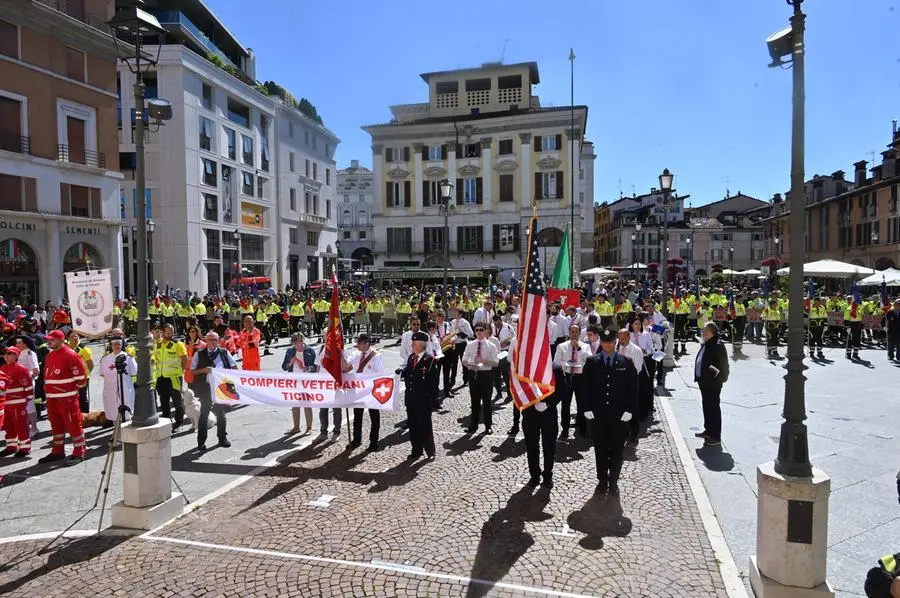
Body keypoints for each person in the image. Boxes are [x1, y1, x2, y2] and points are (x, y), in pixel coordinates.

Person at [582, 328, 638, 495]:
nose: (607, 345)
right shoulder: (592, 362)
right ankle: (602, 480)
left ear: (615, 343)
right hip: (598, 415)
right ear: (601, 343)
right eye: (605, 342)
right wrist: (586, 408)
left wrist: (630, 410)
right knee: (600, 449)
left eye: (610, 342)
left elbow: (633, 389)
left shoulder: (626, 362)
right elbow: (585, 388)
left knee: (616, 450)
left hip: (619, 416)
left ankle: (613, 480)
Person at [38, 329, 87, 463]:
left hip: (67, 398)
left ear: (60, 340)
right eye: (48, 339)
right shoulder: (50, 356)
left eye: (51, 339)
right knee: (56, 425)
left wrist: (71, 390)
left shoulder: (70, 354)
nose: (49, 341)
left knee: (73, 425)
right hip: (52, 398)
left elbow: (81, 378)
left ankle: (79, 452)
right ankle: (57, 451)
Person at [188, 331, 237, 451]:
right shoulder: (199, 354)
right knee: (204, 414)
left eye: (215, 340)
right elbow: (193, 371)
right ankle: (201, 442)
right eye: (210, 340)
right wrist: (204, 370)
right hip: (206, 387)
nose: (212, 342)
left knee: (221, 414)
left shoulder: (224, 352)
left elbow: (235, 367)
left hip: (221, 388)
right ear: (206, 341)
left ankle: (222, 438)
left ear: (218, 340)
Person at [399, 330, 438, 460]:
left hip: (423, 400)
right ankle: (416, 450)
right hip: (411, 399)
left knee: (425, 426)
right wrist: (402, 372)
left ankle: (430, 451)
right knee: (413, 426)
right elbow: (409, 373)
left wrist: (432, 402)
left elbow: (433, 384)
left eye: (414, 343)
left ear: (421, 345)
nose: (412, 345)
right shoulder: (411, 357)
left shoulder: (430, 360)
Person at [521, 367, 560, 489]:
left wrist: (549, 403)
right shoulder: (524, 369)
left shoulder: (556, 369)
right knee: (531, 445)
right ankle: (534, 475)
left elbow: (562, 391)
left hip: (549, 414)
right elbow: (518, 389)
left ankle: (548, 475)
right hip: (530, 413)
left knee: (549, 446)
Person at [346, 333, 385, 451]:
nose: (357, 344)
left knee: (374, 416)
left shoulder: (376, 356)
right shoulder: (356, 354)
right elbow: (346, 367)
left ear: (366, 343)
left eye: (359, 342)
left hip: (371, 390)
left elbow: (380, 374)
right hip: (358, 390)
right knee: (357, 416)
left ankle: (374, 442)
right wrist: (341, 354)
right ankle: (356, 439)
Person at [694, 322, 729, 447]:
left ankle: (715, 436)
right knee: (706, 406)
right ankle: (708, 430)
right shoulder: (707, 343)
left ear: (711, 332)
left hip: (712, 383)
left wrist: (716, 376)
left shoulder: (717, 345)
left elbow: (723, 366)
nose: (702, 332)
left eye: (704, 330)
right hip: (704, 381)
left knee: (713, 408)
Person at [552, 324, 590, 440]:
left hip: (580, 377)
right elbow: (556, 362)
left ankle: (582, 428)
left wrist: (578, 348)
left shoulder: (585, 346)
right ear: (569, 333)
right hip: (567, 376)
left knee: (582, 404)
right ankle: (565, 428)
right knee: (565, 404)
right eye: (572, 331)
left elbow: (589, 360)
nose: (574, 334)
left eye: (576, 332)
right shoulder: (561, 346)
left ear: (580, 333)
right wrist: (566, 364)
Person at [462, 322, 499, 434]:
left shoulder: (491, 346)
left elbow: (496, 363)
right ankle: (473, 425)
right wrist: (470, 365)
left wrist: (484, 361)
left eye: (481, 330)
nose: (478, 332)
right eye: (477, 330)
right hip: (473, 374)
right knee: (474, 402)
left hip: (486, 375)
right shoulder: (470, 345)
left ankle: (488, 426)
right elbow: (464, 359)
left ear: (485, 331)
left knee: (487, 402)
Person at [1, 346, 33, 457]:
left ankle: (25, 448)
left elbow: (28, 386)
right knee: (8, 425)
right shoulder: (3, 368)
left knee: (21, 425)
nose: (6, 356)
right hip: (6, 403)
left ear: (16, 356)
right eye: (5, 354)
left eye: (9, 354)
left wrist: (25, 400)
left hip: (18, 403)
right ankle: (11, 447)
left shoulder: (21, 369)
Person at [281, 332, 316, 435]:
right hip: (294, 381)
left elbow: (315, 367)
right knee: (295, 405)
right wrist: (290, 363)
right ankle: (296, 427)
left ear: (302, 340)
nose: (297, 345)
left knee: (307, 404)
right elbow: (284, 367)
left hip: (306, 381)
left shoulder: (310, 351)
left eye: (299, 342)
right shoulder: (290, 352)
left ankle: (309, 428)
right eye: (295, 343)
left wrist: (307, 368)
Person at [155, 323, 187, 429]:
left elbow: (184, 360)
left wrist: (180, 371)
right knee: (164, 401)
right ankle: (166, 422)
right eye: (168, 333)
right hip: (160, 377)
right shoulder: (158, 343)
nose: (170, 335)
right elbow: (155, 356)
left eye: (171, 333)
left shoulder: (178, 344)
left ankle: (179, 423)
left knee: (177, 401)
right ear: (162, 332)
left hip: (174, 378)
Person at [98, 337, 136, 425]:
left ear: (122, 345)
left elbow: (134, 372)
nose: (116, 346)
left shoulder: (128, 357)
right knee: (114, 414)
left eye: (118, 344)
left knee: (127, 415)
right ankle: (117, 435)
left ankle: (127, 435)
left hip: (125, 389)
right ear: (111, 346)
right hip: (111, 390)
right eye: (114, 344)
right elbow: (102, 373)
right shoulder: (105, 359)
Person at [66, 329, 93, 413]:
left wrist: (86, 375)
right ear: (68, 338)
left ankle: (85, 415)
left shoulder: (84, 349)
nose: (75, 338)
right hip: (71, 378)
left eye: (76, 336)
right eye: (72, 337)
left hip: (83, 377)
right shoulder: (67, 348)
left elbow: (90, 364)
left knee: (82, 397)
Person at [808, 296, 828, 360]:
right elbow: (807, 316)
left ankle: (819, 351)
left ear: (820, 302)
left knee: (820, 338)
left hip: (820, 325)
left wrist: (826, 325)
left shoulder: (822, 308)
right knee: (812, 338)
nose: (817, 303)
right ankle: (811, 351)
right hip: (812, 325)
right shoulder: (810, 308)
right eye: (816, 302)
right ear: (814, 301)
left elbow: (825, 317)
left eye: (818, 302)